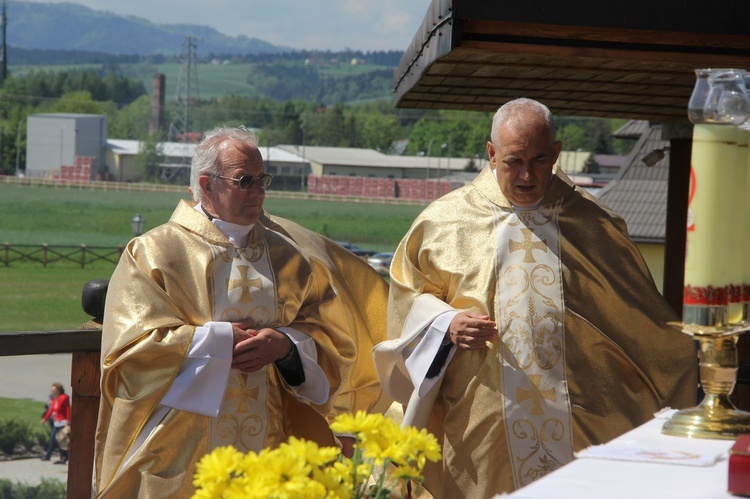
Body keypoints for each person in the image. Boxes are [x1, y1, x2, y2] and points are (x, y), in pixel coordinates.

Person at [373, 98, 698, 498]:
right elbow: (404, 304)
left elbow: (647, 328)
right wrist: (445, 323)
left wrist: (696, 352)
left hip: (577, 426)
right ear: (491, 153)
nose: (527, 174)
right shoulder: (442, 223)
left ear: (557, 154)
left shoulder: (594, 226)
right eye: (514, 161)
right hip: (479, 426)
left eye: (539, 160)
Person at [93, 126, 389, 497]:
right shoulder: (154, 252)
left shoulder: (287, 255)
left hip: (269, 441)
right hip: (180, 449)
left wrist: (284, 346)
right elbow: (129, 350)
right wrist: (219, 342)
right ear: (206, 184)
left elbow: (329, 335)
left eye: (262, 179)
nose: (259, 192)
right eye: (244, 180)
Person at [40, 382, 70, 464]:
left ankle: (63, 457)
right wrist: (45, 419)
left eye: (54, 389)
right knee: (52, 440)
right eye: (52, 389)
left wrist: (68, 419)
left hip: (63, 422)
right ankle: (47, 456)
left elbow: (67, 408)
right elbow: (51, 410)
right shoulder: (53, 399)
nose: (52, 391)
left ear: (59, 390)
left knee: (61, 440)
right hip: (57, 422)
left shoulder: (64, 398)